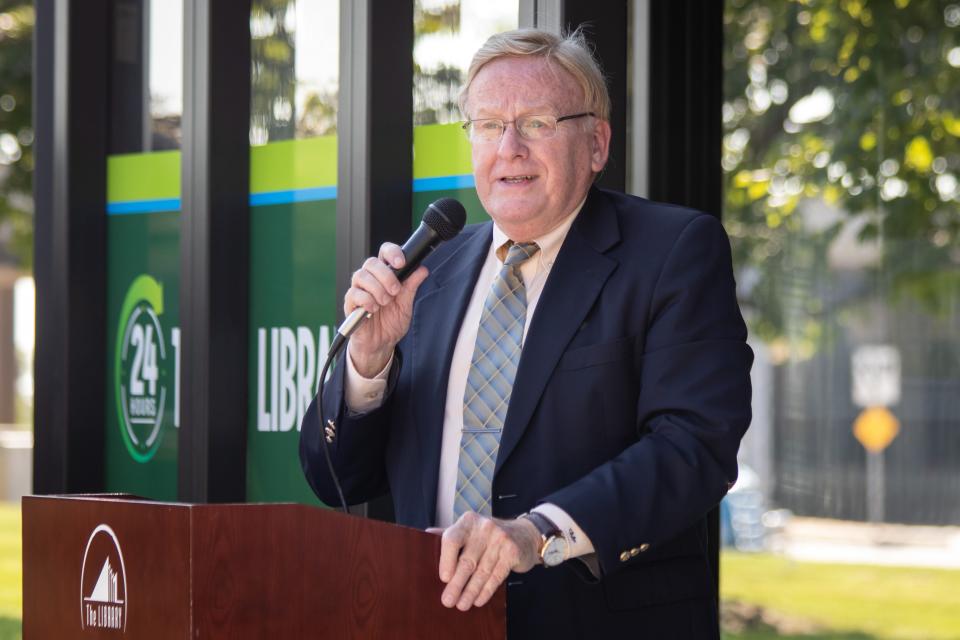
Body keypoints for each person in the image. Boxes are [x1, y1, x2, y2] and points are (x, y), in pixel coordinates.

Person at [301, 28, 753, 639]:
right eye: (487, 125)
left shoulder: (672, 252)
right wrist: (369, 359)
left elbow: (694, 447)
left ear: (596, 143)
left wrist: (538, 532)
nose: (508, 147)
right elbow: (337, 479)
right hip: (425, 618)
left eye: (536, 122)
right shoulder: (427, 276)